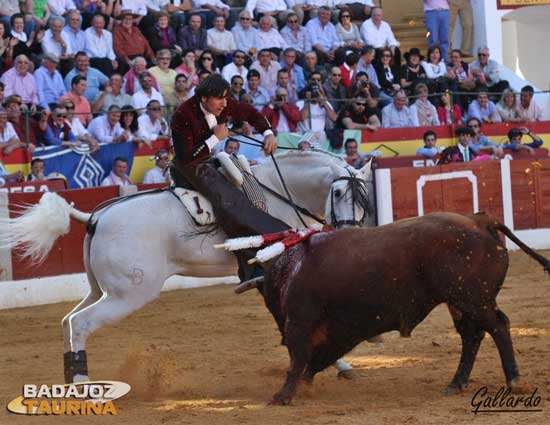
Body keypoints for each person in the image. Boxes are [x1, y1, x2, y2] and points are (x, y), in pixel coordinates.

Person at [170, 74, 289, 282]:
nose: (224, 103)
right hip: (187, 168)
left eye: (226, 98)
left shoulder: (223, 105)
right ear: (204, 98)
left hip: (207, 160)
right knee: (230, 202)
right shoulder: (183, 114)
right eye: (219, 98)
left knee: (247, 178)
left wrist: (268, 133)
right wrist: (216, 137)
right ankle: (249, 266)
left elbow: (250, 113)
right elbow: (186, 157)